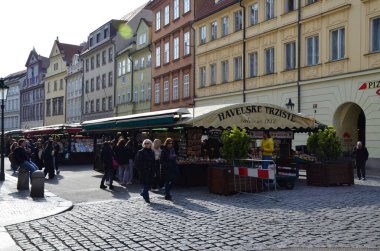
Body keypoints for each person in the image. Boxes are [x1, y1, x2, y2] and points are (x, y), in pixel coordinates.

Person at [134, 139, 155, 203]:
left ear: (150, 144)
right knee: (146, 184)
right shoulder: (140, 152)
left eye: (147, 143)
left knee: (148, 185)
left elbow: (153, 162)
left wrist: (154, 170)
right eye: (145, 143)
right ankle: (147, 198)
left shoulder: (152, 151)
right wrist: (140, 170)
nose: (146, 144)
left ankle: (143, 193)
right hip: (144, 171)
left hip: (150, 171)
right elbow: (137, 162)